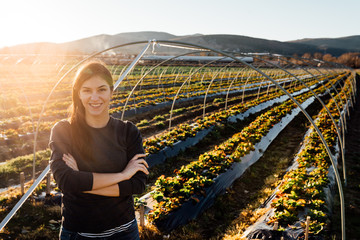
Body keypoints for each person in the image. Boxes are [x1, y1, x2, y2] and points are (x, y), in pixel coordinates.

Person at [49, 61, 148, 240]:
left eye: (101, 89)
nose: (95, 97)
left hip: (125, 232)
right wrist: (123, 175)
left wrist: (81, 179)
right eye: (87, 90)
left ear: (111, 92)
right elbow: (65, 181)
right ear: (78, 93)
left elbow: (138, 184)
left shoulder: (128, 131)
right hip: (79, 234)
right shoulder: (64, 131)